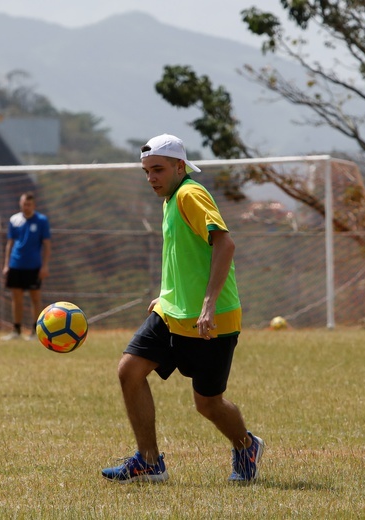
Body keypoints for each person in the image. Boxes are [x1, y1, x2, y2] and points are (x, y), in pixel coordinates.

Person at [101, 134, 264, 483]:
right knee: (129, 370)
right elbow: (183, 257)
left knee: (208, 405)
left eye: (157, 170)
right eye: (146, 172)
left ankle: (246, 446)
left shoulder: (190, 193)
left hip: (212, 320)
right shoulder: (170, 199)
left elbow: (225, 243)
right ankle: (148, 461)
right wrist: (165, 295)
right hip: (171, 314)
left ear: (180, 166)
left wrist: (207, 304)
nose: (151, 178)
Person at [0, 192, 51, 340]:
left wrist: (45, 266)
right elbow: (10, 244)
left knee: (35, 298)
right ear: (20, 204)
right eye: (23, 204)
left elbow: (47, 245)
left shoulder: (41, 220)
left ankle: (36, 330)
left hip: (34, 266)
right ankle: (16, 330)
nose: (26, 207)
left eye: (29, 204)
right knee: (16, 298)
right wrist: (6, 264)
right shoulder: (14, 220)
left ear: (34, 205)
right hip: (16, 265)